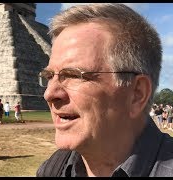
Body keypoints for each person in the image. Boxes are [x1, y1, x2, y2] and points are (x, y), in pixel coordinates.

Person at [36, 3, 173, 177]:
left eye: (74, 75)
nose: (49, 94)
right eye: (49, 76)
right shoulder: (53, 169)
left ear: (137, 94)